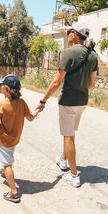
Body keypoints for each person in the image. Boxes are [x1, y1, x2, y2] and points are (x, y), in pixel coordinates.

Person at [36, 22, 98, 187]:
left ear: (75, 34)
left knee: (69, 137)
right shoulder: (93, 55)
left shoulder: (67, 53)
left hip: (68, 102)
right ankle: (63, 160)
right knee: (69, 133)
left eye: (69, 32)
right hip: (82, 102)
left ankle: (74, 175)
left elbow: (57, 81)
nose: (68, 35)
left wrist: (43, 100)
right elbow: (91, 84)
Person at [0, 74, 40, 202]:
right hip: (15, 139)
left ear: (7, 89)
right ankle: (4, 171)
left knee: (7, 164)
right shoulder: (22, 103)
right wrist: (37, 112)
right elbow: (30, 118)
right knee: (9, 156)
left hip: (4, 141)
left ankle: (14, 192)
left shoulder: (1, 105)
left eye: (1, 85)